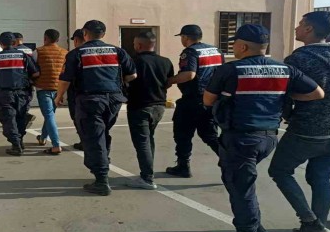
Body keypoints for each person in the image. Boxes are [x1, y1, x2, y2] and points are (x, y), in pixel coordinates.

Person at [204, 24, 324, 232]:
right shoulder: (285, 69)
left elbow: (208, 100)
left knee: (241, 188)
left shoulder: (230, 70)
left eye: (234, 43)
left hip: (241, 138)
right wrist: (282, 95)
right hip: (268, 137)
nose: (233, 47)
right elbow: (317, 93)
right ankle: (255, 227)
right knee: (242, 183)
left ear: (242, 46)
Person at [268, 11, 330, 232]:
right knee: (321, 178)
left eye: (300, 24)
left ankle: (310, 222)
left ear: (309, 29)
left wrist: (286, 114)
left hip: (307, 129)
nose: (296, 28)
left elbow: (285, 93)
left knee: (279, 170)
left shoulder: (299, 59)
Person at [56, 20, 137, 196]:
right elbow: (132, 74)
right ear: (103, 34)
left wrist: (59, 96)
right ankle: (104, 161)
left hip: (90, 100)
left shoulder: (77, 53)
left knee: (93, 138)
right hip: (114, 100)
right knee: (102, 133)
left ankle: (101, 180)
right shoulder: (117, 51)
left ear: (85, 33)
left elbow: (65, 79)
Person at [166, 24, 224, 177]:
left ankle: (183, 165)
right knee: (209, 135)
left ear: (185, 37)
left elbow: (189, 75)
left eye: (182, 37)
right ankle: (230, 161)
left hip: (193, 99)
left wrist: (170, 81)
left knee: (182, 133)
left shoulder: (190, 52)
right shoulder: (216, 50)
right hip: (212, 99)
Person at [125, 31, 174, 190]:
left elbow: (125, 80)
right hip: (159, 106)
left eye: (134, 44)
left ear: (139, 45)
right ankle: (147, 173)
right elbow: (168, 82)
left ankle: (147, 177)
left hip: (139, 106)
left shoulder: (133, 62)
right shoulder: (165, 61)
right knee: (148, 139)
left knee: (142, 142)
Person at [0, 32, 40, 156]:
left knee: (8, 119)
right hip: (23, 93)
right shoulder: (23, 56)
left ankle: (16, 145)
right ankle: (19, 141)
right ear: (14, 42)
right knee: (20, 118)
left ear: (1, 43)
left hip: (4, 93)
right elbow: (36, 73)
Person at [32, 29, 68, 155]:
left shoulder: (38, 51)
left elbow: (32, 69)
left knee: (49, 116)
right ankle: (42, 138)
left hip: (43, 88)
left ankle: (56, 145)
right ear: (58, 39)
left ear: (45, 38)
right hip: (58, 88)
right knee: (50, 114)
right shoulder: (65, 53)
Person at [13, 32, 36, 129]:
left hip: (18, 80)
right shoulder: (30, 50)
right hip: (30, 79)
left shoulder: (14, 51)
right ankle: (25, 116)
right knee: (27, 100)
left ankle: (24, 117)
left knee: (17, 102)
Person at [67, 29, 86, 151]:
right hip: (104, 93)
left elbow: (66, 78)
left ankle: (85, 142)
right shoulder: (111, 51)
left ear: (77, 40)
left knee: (78, 118)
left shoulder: (74, 54)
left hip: (78, 93)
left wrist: (59, 96)